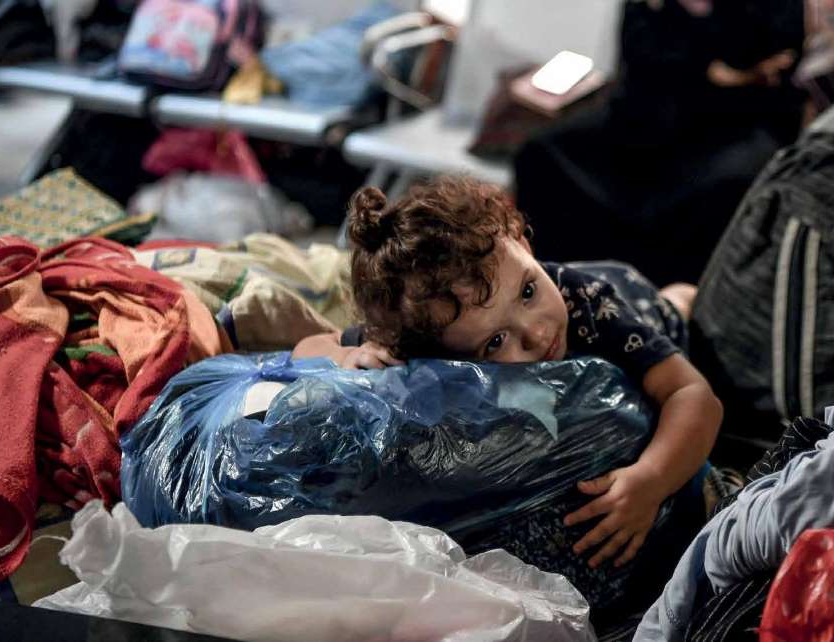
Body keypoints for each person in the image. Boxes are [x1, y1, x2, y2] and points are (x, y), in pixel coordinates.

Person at [293, 176, 723, 570]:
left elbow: (693, 395)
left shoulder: (587, 304)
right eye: (495, 342)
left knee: (677, 307)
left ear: (523, 243)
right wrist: (343, 357)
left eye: (529, 292)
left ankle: (682, 296)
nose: (536, 334)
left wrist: (652, 479)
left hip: (632, 297)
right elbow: (310, 346)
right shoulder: (422, 327)